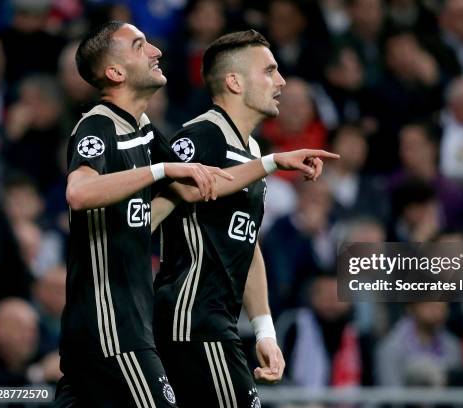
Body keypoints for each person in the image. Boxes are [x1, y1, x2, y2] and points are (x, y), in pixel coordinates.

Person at [152, 30, 338, 408]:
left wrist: (264, 331)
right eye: (269, 71)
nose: (281, 81)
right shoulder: (200, 136)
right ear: (234, 81)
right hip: (190, 319)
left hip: (217, 321)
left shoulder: (250, 149)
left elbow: (247, 243)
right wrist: (271, 163)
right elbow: (168, 201)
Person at [54, 21, 235, 408]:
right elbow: (79, 192)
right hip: (112, 329)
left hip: (120, 326)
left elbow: (194, 188)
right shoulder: (98, 125)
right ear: (115, 73)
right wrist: (160, 171)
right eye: (140, 46)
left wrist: (272, 162)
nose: (156, 51)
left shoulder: (143, 128)